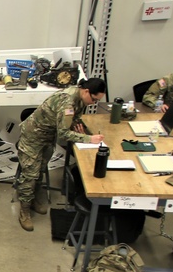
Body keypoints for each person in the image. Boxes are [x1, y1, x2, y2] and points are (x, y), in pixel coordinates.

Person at [15, 78, 106, 232]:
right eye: (94, 99)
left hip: (47, 136)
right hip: (33, 137)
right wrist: (89, 139)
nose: (93, 103)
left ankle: (33, 199)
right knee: (30, 174)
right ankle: (24, 210)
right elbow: (63, 133)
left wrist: (80, 127)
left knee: (41, 170)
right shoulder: (68, 101)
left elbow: (74, 118)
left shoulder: (79, 99)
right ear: (86, 91)